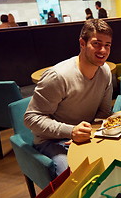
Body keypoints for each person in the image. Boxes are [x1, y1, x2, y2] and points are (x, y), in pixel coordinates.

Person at [24, 19, 113, 177]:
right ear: (82, 43)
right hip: (52, 140)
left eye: (107, 45)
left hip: (87, 134)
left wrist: (90, 133)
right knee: (73, 174)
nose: (103, 50)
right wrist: (71, 131)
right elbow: (31, 118)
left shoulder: (105, 71)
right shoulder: (58, 76)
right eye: (97, 43)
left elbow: (104, 112)